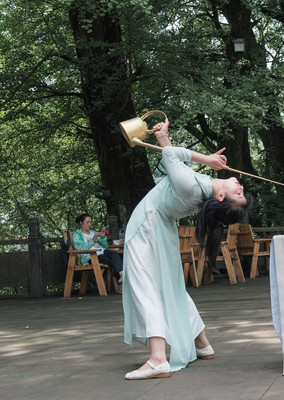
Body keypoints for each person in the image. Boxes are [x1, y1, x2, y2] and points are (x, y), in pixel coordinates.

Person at [121, 118, 252, 380]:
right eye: (241, 193)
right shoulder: (200, 188)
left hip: (147, 226)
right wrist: (163, 137)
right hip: (160, 228)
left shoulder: (192, 187)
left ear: (221, 198)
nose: (241, 188)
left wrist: (207, 159)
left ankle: (158, 359)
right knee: (171, 287)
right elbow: (175, 164)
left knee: (145, 288)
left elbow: (171, 157)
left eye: (238, 195)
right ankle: (202, 344)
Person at [73, 214, 123, 284]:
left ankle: (121, 275)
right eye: (87, 222)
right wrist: (93, 240)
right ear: (81, 222)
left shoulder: (93, 232)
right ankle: (121, 284)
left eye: (90, 222)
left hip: (102, 251)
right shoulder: (77, 235)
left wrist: (103, 237)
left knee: (116, 255)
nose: (89, 224)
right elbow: (80, 248)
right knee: (111, 261)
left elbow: (105, 246)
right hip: (91, 256)